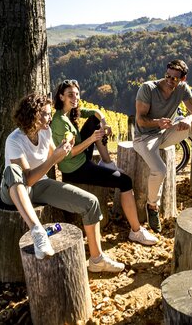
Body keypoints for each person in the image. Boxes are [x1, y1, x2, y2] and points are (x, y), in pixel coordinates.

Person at [0, 93, 125, 273]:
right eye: (45, 114)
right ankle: (38, 232)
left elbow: (56, 155)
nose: (50, 118)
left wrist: (65, 148)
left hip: (40, 185)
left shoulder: (45, 131)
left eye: (50, 113)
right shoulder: (14, 140)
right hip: (14, 191)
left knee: (91, 203)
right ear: (32, 113)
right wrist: (53, 159)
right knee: (12, 171)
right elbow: (27, 179)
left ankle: (97, 259)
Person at [50, 79, 158, 245]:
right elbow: (68, 154)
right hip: (75, 169)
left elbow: (94, 111)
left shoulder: (70, 111)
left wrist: (104, 123)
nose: (75, 98)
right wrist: (92, 138)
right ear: (61, 96)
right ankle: (136, 231)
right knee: (125, 181)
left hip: (81, 157)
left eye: (77, 94)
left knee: (94, 121)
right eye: (70, 95)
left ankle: (107, 163)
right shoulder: (59, 122)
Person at [133, 59, 192, 232]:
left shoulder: (183, 89)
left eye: (174, 78)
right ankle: (152, 207)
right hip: (144, 137)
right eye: (168, 76)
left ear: (182, 79)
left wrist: (188, 119)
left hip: (165, 133)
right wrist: (157, 122)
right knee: (160, 170)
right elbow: (140, 120)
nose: (169, 80)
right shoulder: (148, 88)